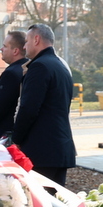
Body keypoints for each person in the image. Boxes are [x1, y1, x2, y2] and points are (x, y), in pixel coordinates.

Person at [12, 23, 75, 182]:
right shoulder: (61, 66)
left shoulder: (39, 67)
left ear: (37, 40)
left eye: (26, 41)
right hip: (60, 148)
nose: (24, 46)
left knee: (39, 204)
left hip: (42, 151)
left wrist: (16, 139)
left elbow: (28, 108)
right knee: (55, 204)